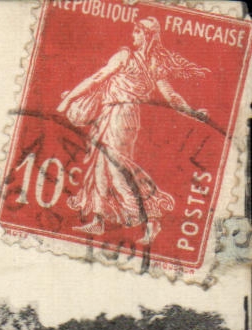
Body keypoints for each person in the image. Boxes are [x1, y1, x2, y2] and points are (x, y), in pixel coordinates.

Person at [56, 17, 209, 244]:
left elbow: (97, 78)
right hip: (121, 117)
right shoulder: (155, 63)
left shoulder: (126, 56)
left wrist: (68, 99)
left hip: (119, 116)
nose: (133, 36)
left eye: (137, 32)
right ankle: (99, 220)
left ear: (147, 35)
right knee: (100, 168)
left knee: (118, 171)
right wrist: (193, 112)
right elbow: (172, 97)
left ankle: (150, 220)